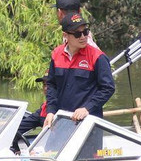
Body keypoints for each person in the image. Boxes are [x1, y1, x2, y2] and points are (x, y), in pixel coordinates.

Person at [15, 11, 115, 150]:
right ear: (65, 36)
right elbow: (51, 85)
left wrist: (87, 108)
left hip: (87, 125)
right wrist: (50, 111)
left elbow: (108, 88)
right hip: (61, 122)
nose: (83, 37)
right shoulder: (56, 54)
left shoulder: (98, 57)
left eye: (85, 32)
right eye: (77, 34)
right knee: (51, 155)